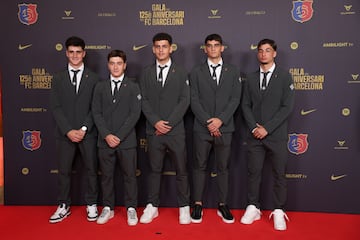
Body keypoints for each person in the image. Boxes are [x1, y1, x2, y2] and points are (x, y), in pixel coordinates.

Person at [240, 38, 295, 231]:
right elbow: (245, 105)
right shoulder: (251, 77)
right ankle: (253, 207)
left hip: (276, 135)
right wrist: (254, 127)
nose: (263, 54)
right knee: (253, 173)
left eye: (268, 50)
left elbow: (287, 107)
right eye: (261, 51)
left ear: (274, 53)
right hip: (254, 135)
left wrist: (267, 128)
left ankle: (278, 210)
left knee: (279, 174)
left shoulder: (284, 76)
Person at [139, 32, 191, 224]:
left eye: (164, 46)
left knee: (181, 170)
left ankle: (184, 206)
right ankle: (152, 206)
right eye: (157, 46)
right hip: (154, 131)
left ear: (171, 48)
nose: (161, 50)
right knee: (154, 169)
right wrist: (156, 122)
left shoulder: (181, 71)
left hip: (175, 130)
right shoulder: (145, 73)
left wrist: (168, 123)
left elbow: (185, 100)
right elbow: (143, 100)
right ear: (153, 49)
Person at [189, 33, 241, 224]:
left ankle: (223, 204)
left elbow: (235, 98)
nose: (212, 48)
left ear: (222, 48)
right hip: (202, 129)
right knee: (199, 167)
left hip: (225, 128)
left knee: (223, 168)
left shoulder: (233, 71)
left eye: (216, 45)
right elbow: (193, 100)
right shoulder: (195, 72)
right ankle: (197, 204)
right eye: (209, 45)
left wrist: (220, 121)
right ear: (205, 48)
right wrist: (209, 123)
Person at [49, 36, 99, 223]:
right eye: (71, 52)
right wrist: (69, 130)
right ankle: (63, 205)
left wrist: (84, 128)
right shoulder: (58, 77)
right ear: (66, 53)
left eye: (78, 52)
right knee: (63, 170)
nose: (75, 55)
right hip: (65, 134)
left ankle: (92, 203)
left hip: (88, 134)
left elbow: (96, 107)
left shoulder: (94, 78)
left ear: (84, 53)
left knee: (92, 169)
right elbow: (56, 107)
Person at [92, 50, 141, 225]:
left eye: (119, 63)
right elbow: (96, 113)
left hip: (126, 141)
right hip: (105, 141)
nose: (115, 66)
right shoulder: (100, 87)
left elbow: (134, 114)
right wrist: (107, 135)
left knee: (129, 176)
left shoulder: (133, 87)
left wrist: (118, 136)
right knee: (106, 176)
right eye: (112, 63)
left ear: (125, 65)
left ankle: (131, 208)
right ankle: (108, 208)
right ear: (108, 65)